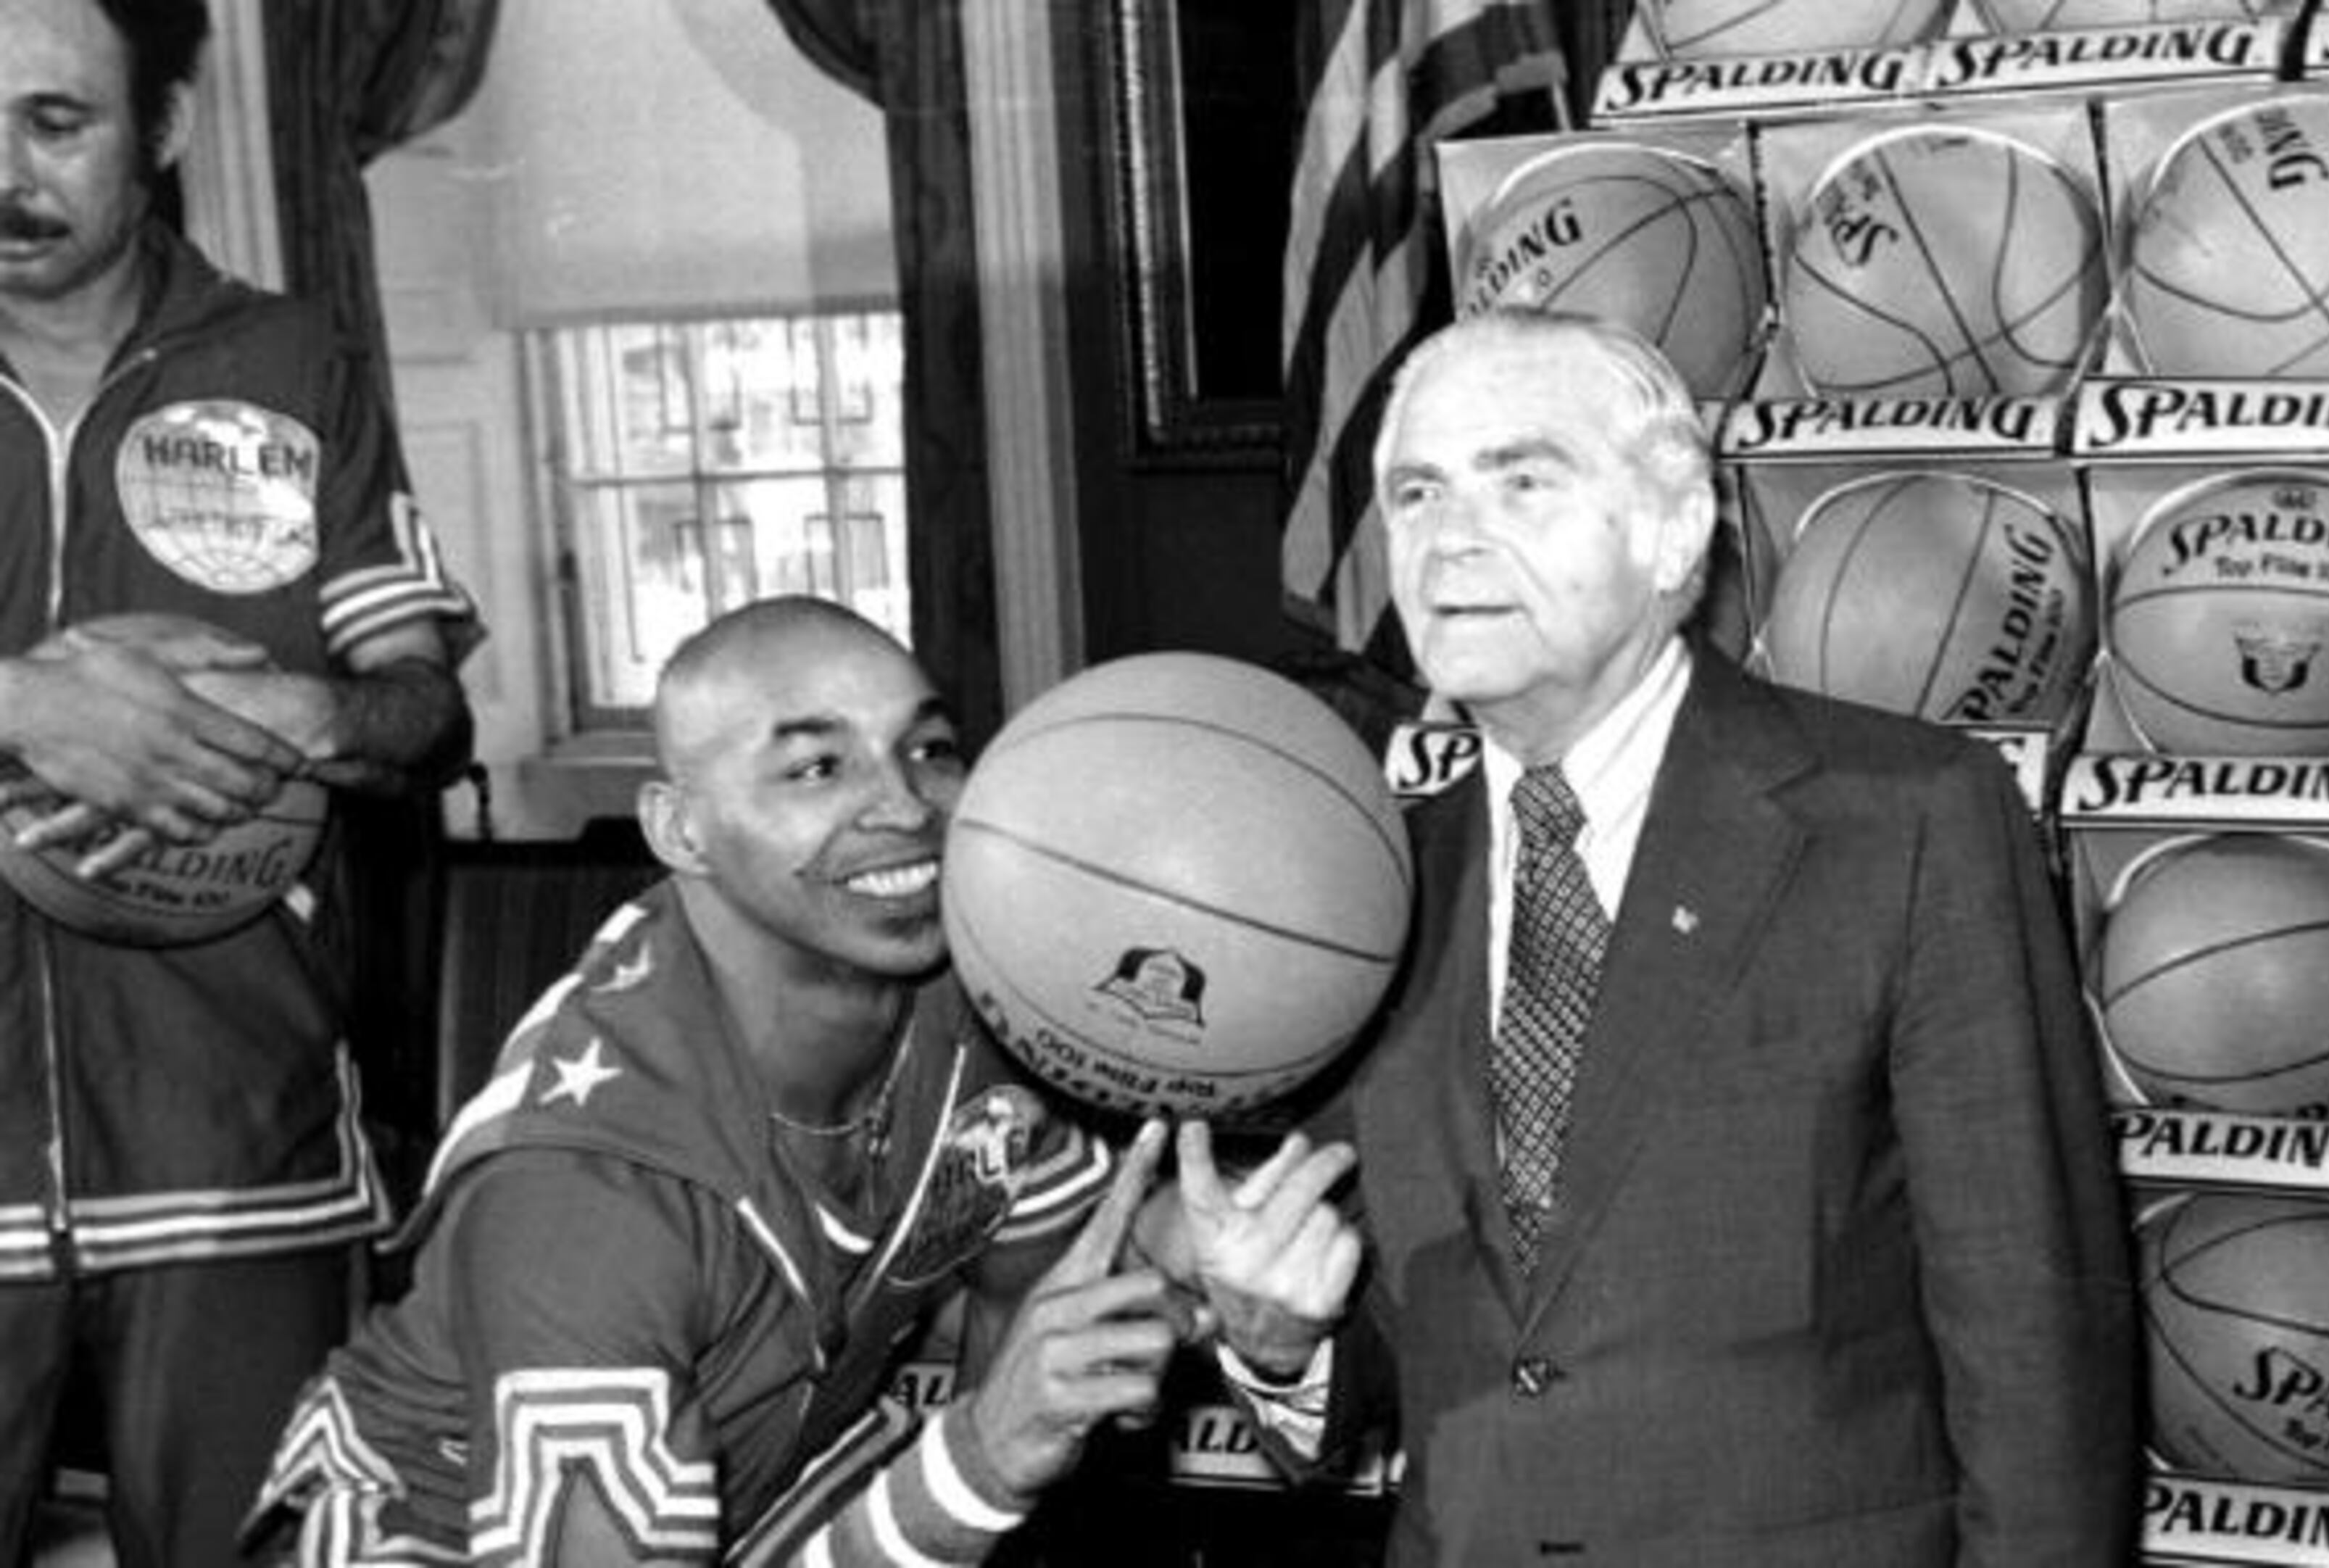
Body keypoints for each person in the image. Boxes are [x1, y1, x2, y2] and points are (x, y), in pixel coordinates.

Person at [1171, 309, 2141, 1566]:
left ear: (1674, 533)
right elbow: (1420, 1353)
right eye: (1416, 493)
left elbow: (2036, 1338)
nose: (1454, 536)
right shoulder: (1376, 884)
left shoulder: (1904, 820)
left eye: (1524, 480)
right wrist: (1279, 1341)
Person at [247, 597, 1195, 1565]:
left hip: (765, 1493)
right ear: (681, 829)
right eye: (818, 767)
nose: (909, 808)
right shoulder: (584, 1196)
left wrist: (1208, 1262)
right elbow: (991, 1442)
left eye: (932, 748)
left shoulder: (964, 1000)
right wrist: (979, 1466)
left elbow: (1036, 1293)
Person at [0, 0, 483, 1561]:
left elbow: (424, 705)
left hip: (240, 1143)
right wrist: (23, 708)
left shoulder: (290, 359)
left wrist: (315, 716)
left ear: (163, 128)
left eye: (52, 122)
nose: (1, 171)